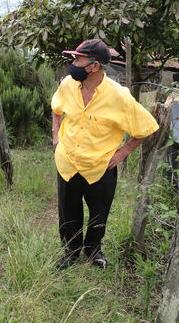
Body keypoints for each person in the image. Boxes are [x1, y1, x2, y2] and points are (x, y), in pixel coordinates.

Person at [51, 39, 159, 269]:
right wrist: (56, 137)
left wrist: (122, 153)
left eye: (79, 59)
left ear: (94, 66)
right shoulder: (67, 84)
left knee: (99, 213)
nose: (74, 63)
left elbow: (146, 127)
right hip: (68, 161)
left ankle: (93, 250)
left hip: (101, 166)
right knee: (68, 211)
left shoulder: (119, 96)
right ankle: (71, 251)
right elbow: (56, 108)